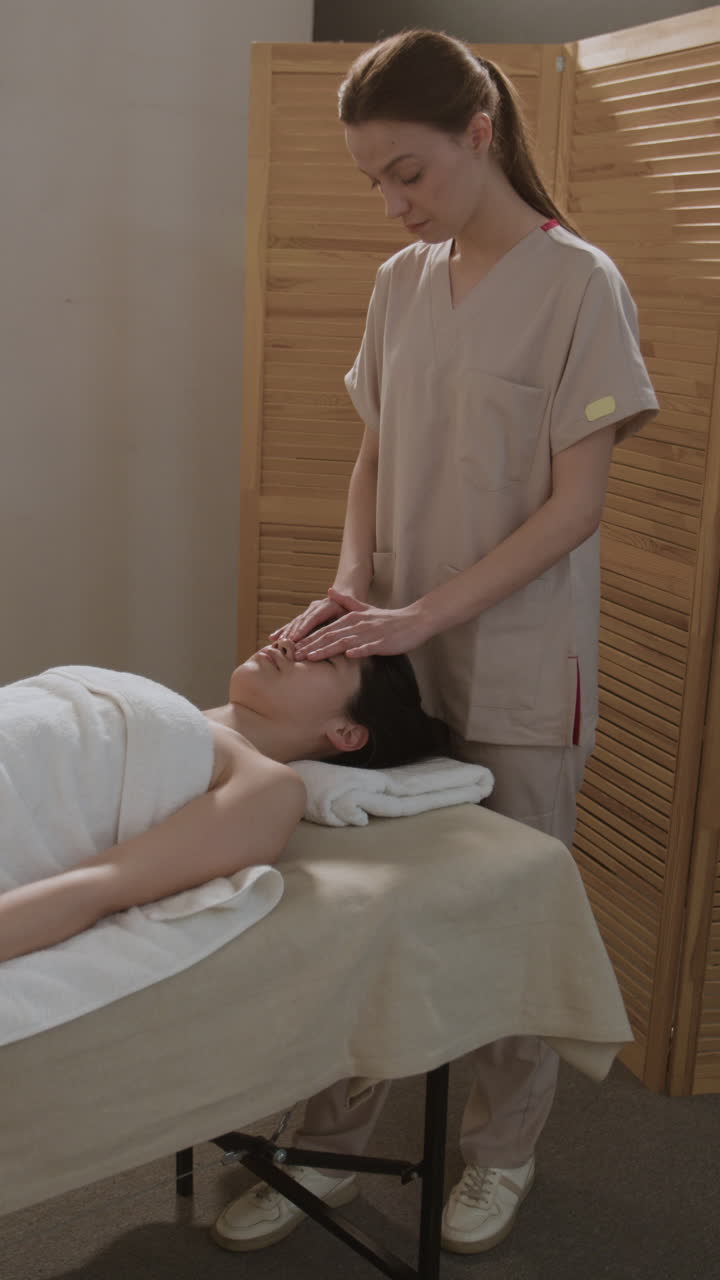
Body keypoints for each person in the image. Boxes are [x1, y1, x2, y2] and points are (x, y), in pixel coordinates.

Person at [212, 29, 659, 1257]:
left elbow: (578, 507)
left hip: (513, 658)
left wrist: (424, 612)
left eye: (408, 171)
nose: (394, 202)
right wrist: (356, 583)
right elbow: (374, 448)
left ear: (479, 135)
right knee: (360, 907)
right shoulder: (399, 284)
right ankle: (328, 1144)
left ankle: (500, 1149)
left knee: (509, 909)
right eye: (373, 181)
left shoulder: (582, 283)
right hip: (390, 647)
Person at [0, 636, 447, 964]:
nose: (291, 644)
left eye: (324, 658)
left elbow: (99, 886)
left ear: (347, 732)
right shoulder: (171, 719)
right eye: (302, 635)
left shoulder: (267, 784)